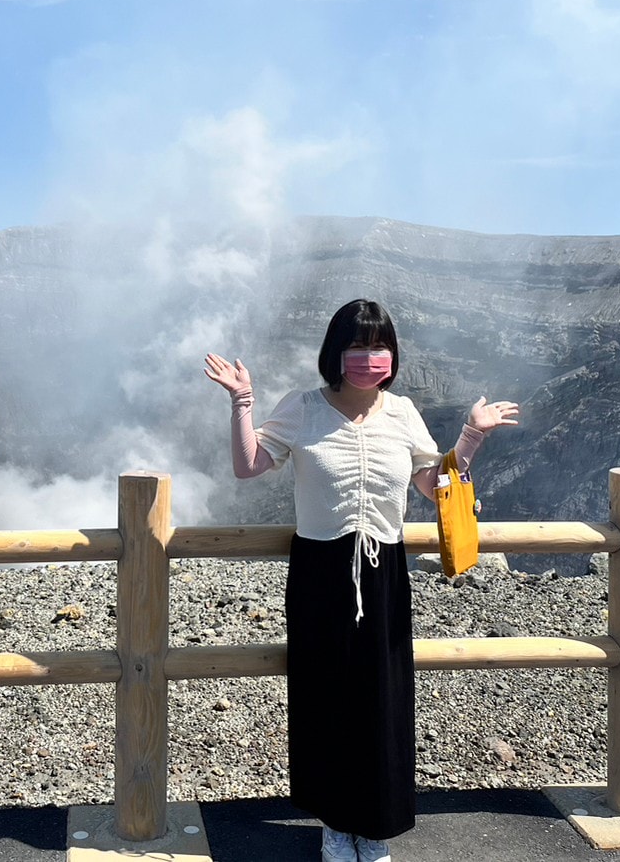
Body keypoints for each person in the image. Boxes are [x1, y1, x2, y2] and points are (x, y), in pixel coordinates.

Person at [204, 299, 520, 862]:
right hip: (320, 573)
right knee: (324, 695)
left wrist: (472, 435)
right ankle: (335, 823)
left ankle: (371, 825)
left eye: (378, 348)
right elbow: (250, 465)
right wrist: (242, 402)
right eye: (357, 347)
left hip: (384, 574)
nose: (368, 358)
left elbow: (432, 484)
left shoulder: (401, 413)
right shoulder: (303, 409)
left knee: (383, 698)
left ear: (392, 356)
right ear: (336, 352)